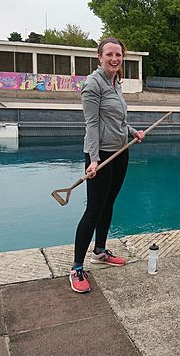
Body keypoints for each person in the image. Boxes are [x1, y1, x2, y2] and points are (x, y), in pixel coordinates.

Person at [70, 37, 146, 294]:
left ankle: (99, 251)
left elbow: (117, 121)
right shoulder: (93, 85)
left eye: (119, 55)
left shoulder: (115, 83)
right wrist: (93, 160)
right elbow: (91, 124)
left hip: (120, 152)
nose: (115, 59)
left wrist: (133, 132)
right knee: (93, 209)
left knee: (109, 204)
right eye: (110, 54)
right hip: (100, 156)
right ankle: (77, 268)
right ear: (100, 57)